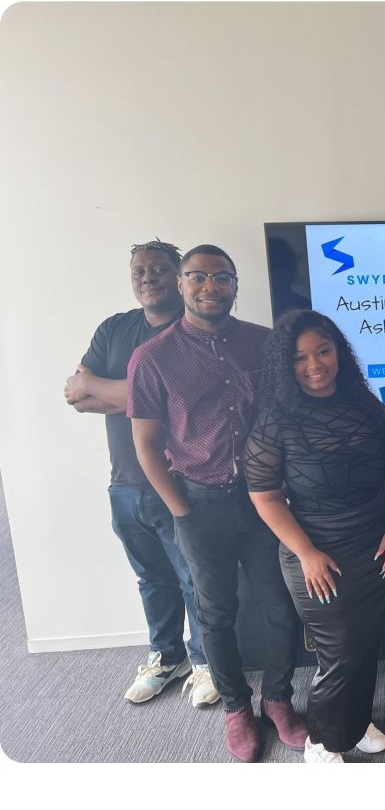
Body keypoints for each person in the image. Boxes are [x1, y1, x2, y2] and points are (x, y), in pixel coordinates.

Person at [128, 244, 304, 762]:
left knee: (280, 607)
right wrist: (180, 511)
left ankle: (278, 701)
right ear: (182, 284)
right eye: (198, 276)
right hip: (199, 504)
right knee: (216, 613)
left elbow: (287, 416)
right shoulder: (152, 358)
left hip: (264, 501)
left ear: (234, 285)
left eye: (222, 277)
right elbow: (146, 445)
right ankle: (236, 708)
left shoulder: (264, 343)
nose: (210, 286)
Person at [246, 310, 385, 763]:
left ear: (339, 352)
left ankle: (355, 723)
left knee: (364, 643)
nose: (314, 364)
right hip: (316, 553)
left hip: (375, 545)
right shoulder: (275, 421)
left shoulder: (367, 406)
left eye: (323, 351)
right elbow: (265, 497)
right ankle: (320, 740)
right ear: (286, 365)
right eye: (300, 358)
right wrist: (307, 553)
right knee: (338, 653)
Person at [64, 240, 218, 707]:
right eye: (139, 271)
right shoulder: (114, 328)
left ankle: (206, 662)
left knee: (194, 577)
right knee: (151, 578)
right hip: (125, 483)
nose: (148, 278)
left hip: (180, 479)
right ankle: (167, 657)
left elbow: (179, 397)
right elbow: (76, 396)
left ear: (179, 278)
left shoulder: (194, 331)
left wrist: (99, 385)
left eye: (159, 269)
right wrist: (138, 393)